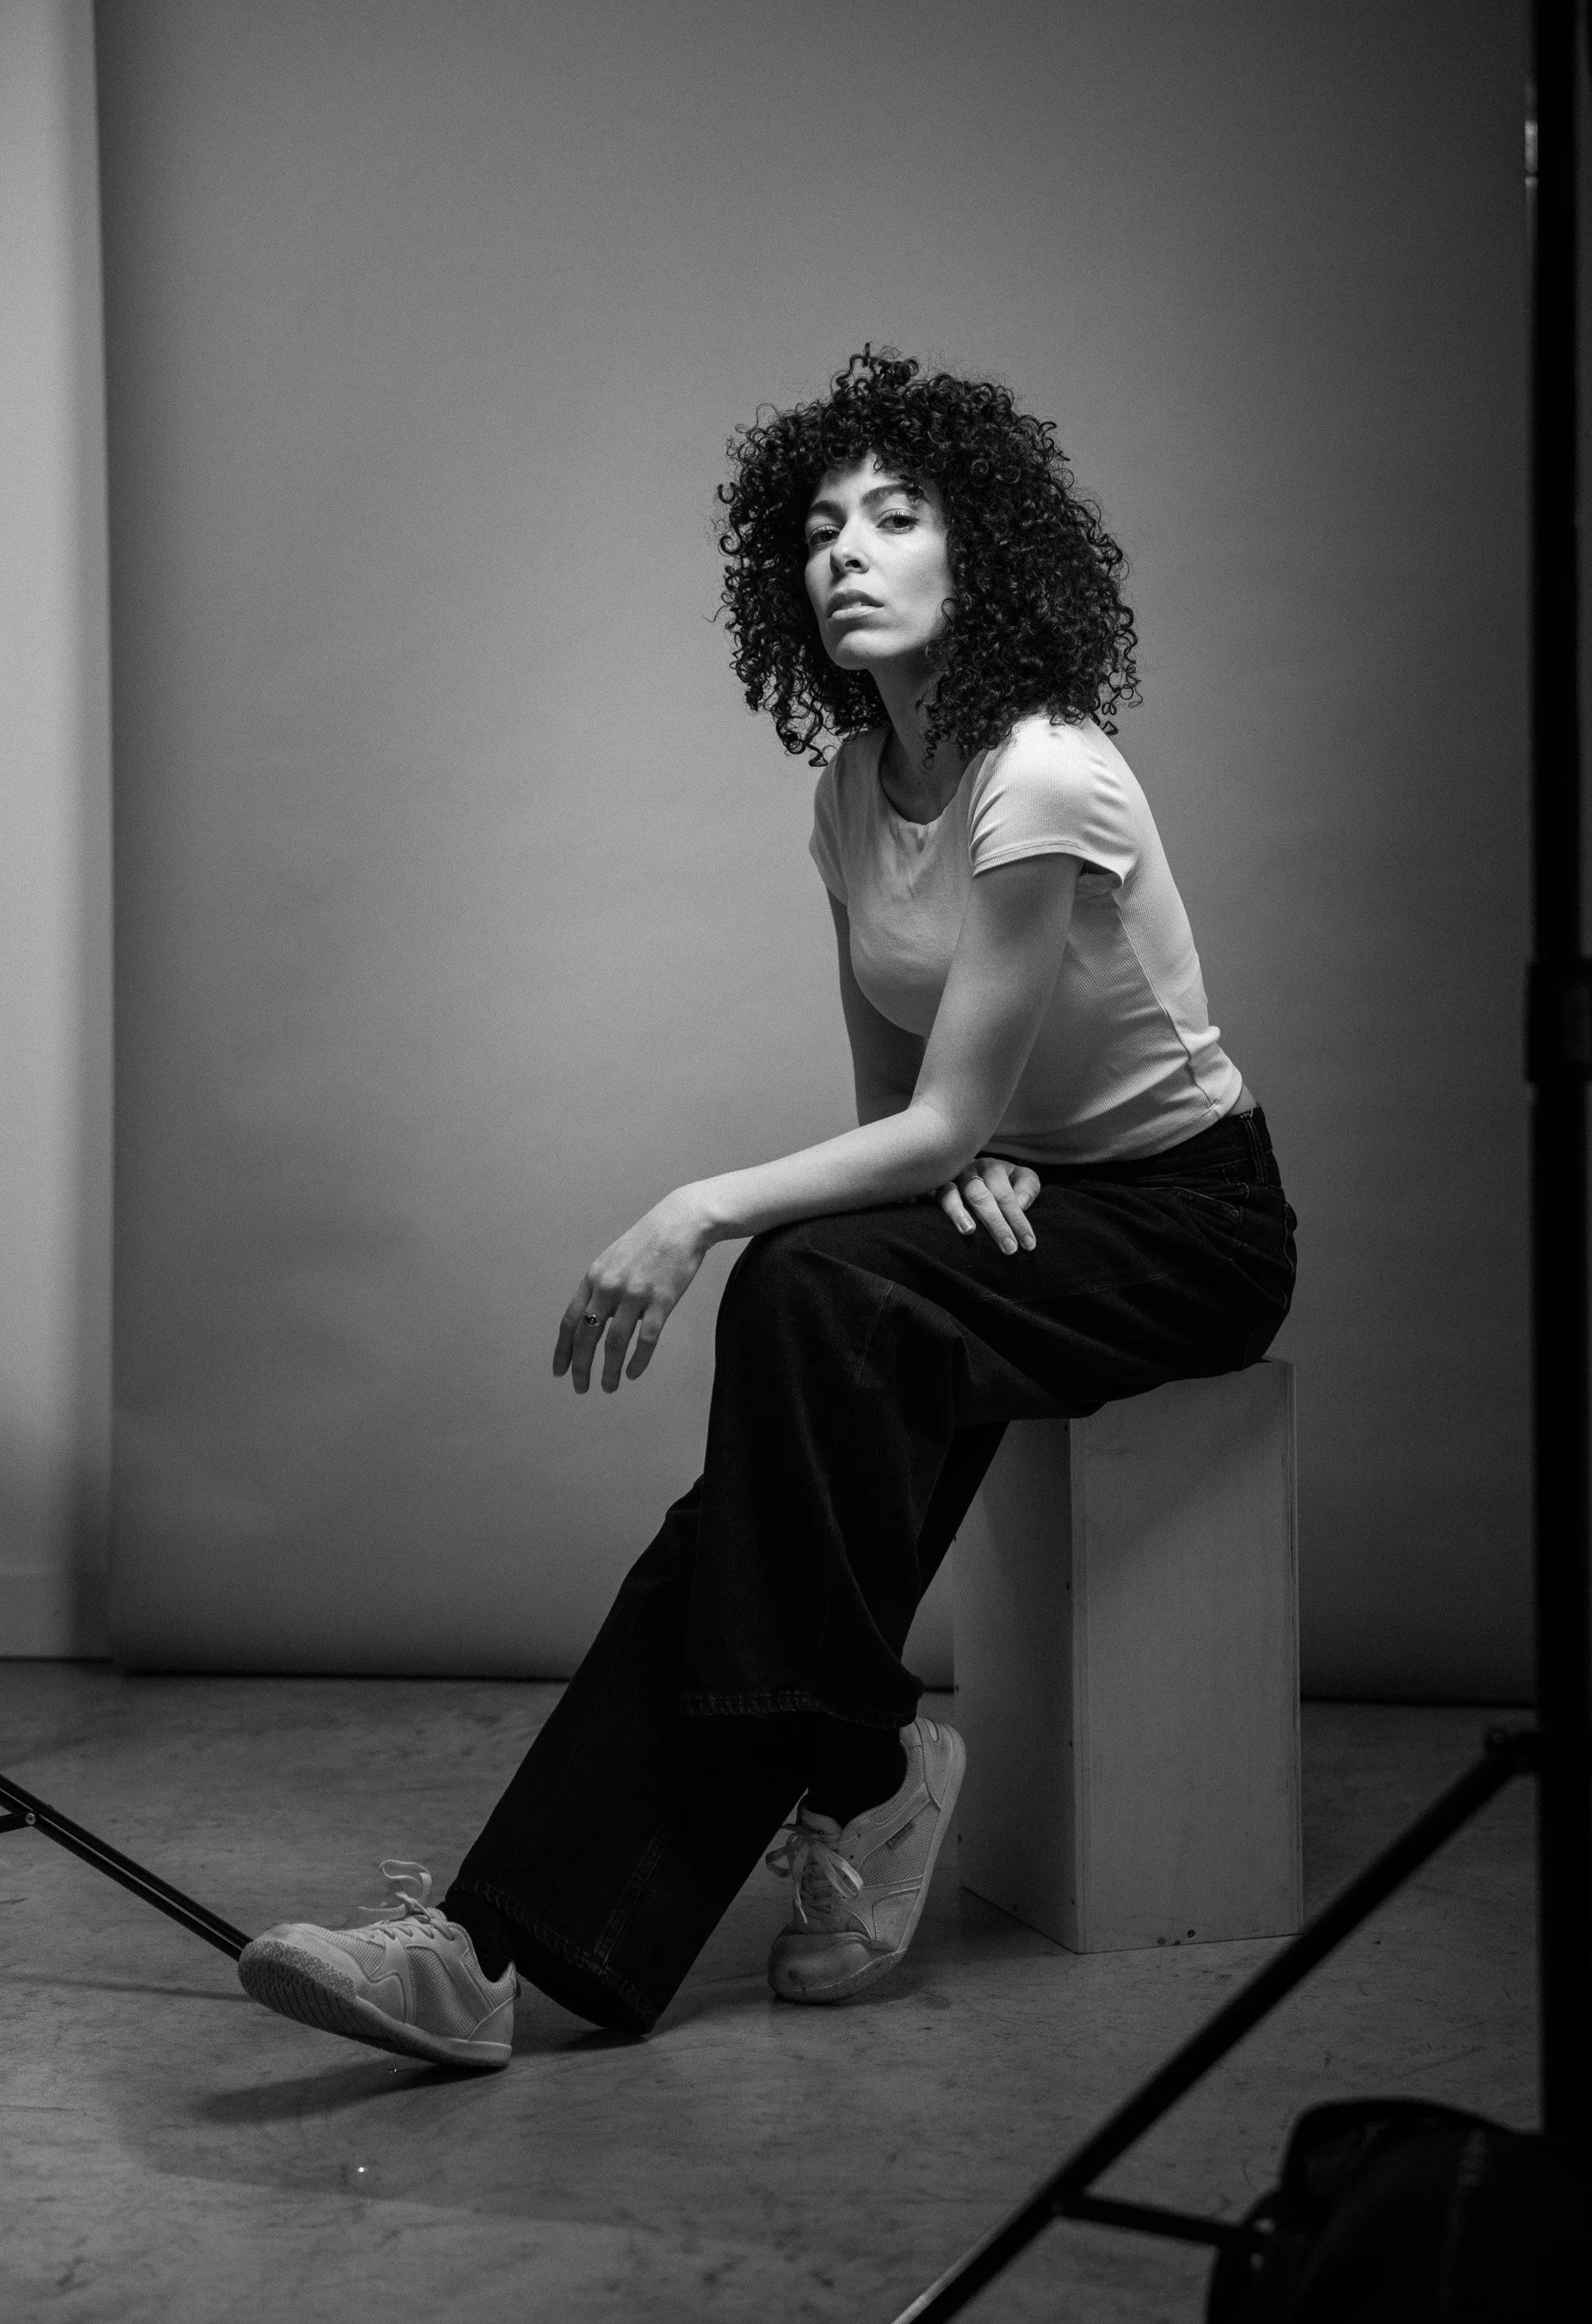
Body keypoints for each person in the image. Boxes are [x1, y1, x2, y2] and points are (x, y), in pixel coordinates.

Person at [238, 348, 1297, 2072]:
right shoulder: (847, 792)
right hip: (1023, 1204)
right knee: (811, 1363)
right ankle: (574, 1918)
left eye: (896, 517)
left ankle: (807, 1799)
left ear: (984, 555)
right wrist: (953, 1161)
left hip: (1186, 1226)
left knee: (795, 1290)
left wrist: (698, 1206)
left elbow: (941, 1116)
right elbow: (908, 1121)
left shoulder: (1043, 771)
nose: (847, 553)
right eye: (817, 530)